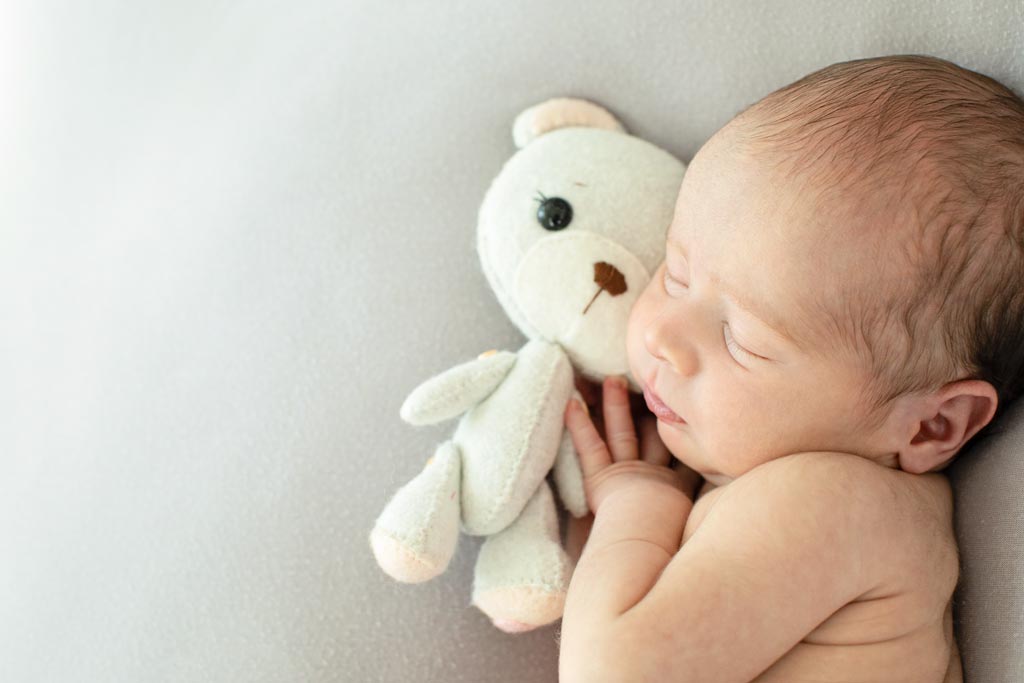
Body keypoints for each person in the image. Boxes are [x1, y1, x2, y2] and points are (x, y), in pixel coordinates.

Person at [557, 54, 1024, 683]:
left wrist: (633, 503)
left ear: (929, 427)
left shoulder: (836, 501)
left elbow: (611, 671)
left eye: (742, 339)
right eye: (676, 274)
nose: (662, 334)